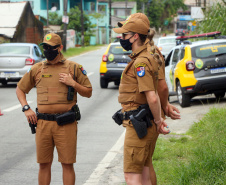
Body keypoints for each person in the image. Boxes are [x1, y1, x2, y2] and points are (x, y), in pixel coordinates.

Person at [16, 32, 92, 185]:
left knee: (67, 163)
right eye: (45, 47)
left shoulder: (74, 68)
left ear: (60, 48)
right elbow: (20, 89)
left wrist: (73, 83)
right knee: (43, 164)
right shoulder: (37, 69)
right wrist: (26, 108)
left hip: (65, 123)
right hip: (43, 124)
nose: (47, 51)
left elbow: (88, 92)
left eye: (51, 48)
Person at [116, 13, 180, 185]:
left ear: (135, 36)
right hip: (144, 119)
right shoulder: (147, 56)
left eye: (124, 35)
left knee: (131, 175)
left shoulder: (142, 61)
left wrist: (159, 119)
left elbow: (154, 95)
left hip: (140, 121)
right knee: (144, 169)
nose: (121, 38)